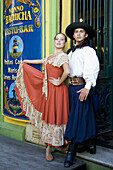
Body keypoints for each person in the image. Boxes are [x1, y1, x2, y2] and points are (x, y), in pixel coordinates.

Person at [14, 33, 70, 162]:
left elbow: (67, 71)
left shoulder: (63, 56)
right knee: (50, 115)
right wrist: (26, 62)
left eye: (62, 40)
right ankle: (48, 148)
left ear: (65, 43)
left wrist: (59, 81)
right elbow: (41, 61)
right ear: (54, 41)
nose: (59, 41)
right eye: (57, 39)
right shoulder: (52, 57)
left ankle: (60, 144)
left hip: (58, 91)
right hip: (49, 91)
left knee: (58, 116)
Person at [64, 22, 100, 167]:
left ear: (85, 35)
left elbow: (92, 69)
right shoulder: (70, 52)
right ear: (73, 35)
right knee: (83, 114)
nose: (78, 34)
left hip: (82, 86)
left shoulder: (88, 51)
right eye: (76, 32)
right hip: (71, 88)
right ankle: (89, 142)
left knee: (77, 117)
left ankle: (71, 151)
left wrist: (87, 86)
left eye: (81, 32)